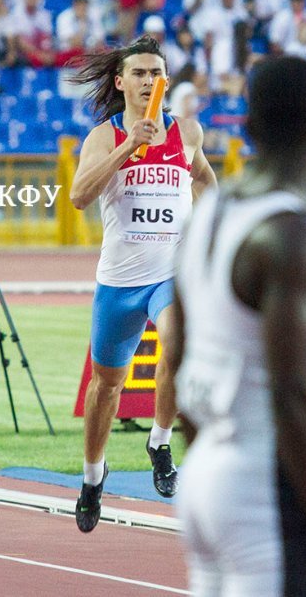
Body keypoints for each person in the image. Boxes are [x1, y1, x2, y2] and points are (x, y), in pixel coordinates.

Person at [170, 56, 306, 597]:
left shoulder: (205, 214)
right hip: (264, 489)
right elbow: (292, 395)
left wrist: (207, 467)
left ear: (248, 129)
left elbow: (177, 364)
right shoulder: (290, 236)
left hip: (206, 472)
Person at [68, 35, 217, 533]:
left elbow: (204, 181)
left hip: (170, 273)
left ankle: (159, 439)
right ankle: (93, 475)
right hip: (119, 282)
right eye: (139, 73)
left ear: (166, 81)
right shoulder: (104, 138)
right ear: (120, 81)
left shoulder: (187, 132)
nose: (148, 80)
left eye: (156, 73)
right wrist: (131, 146)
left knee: (180, 344)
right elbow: (78, 197)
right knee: (106, 386)